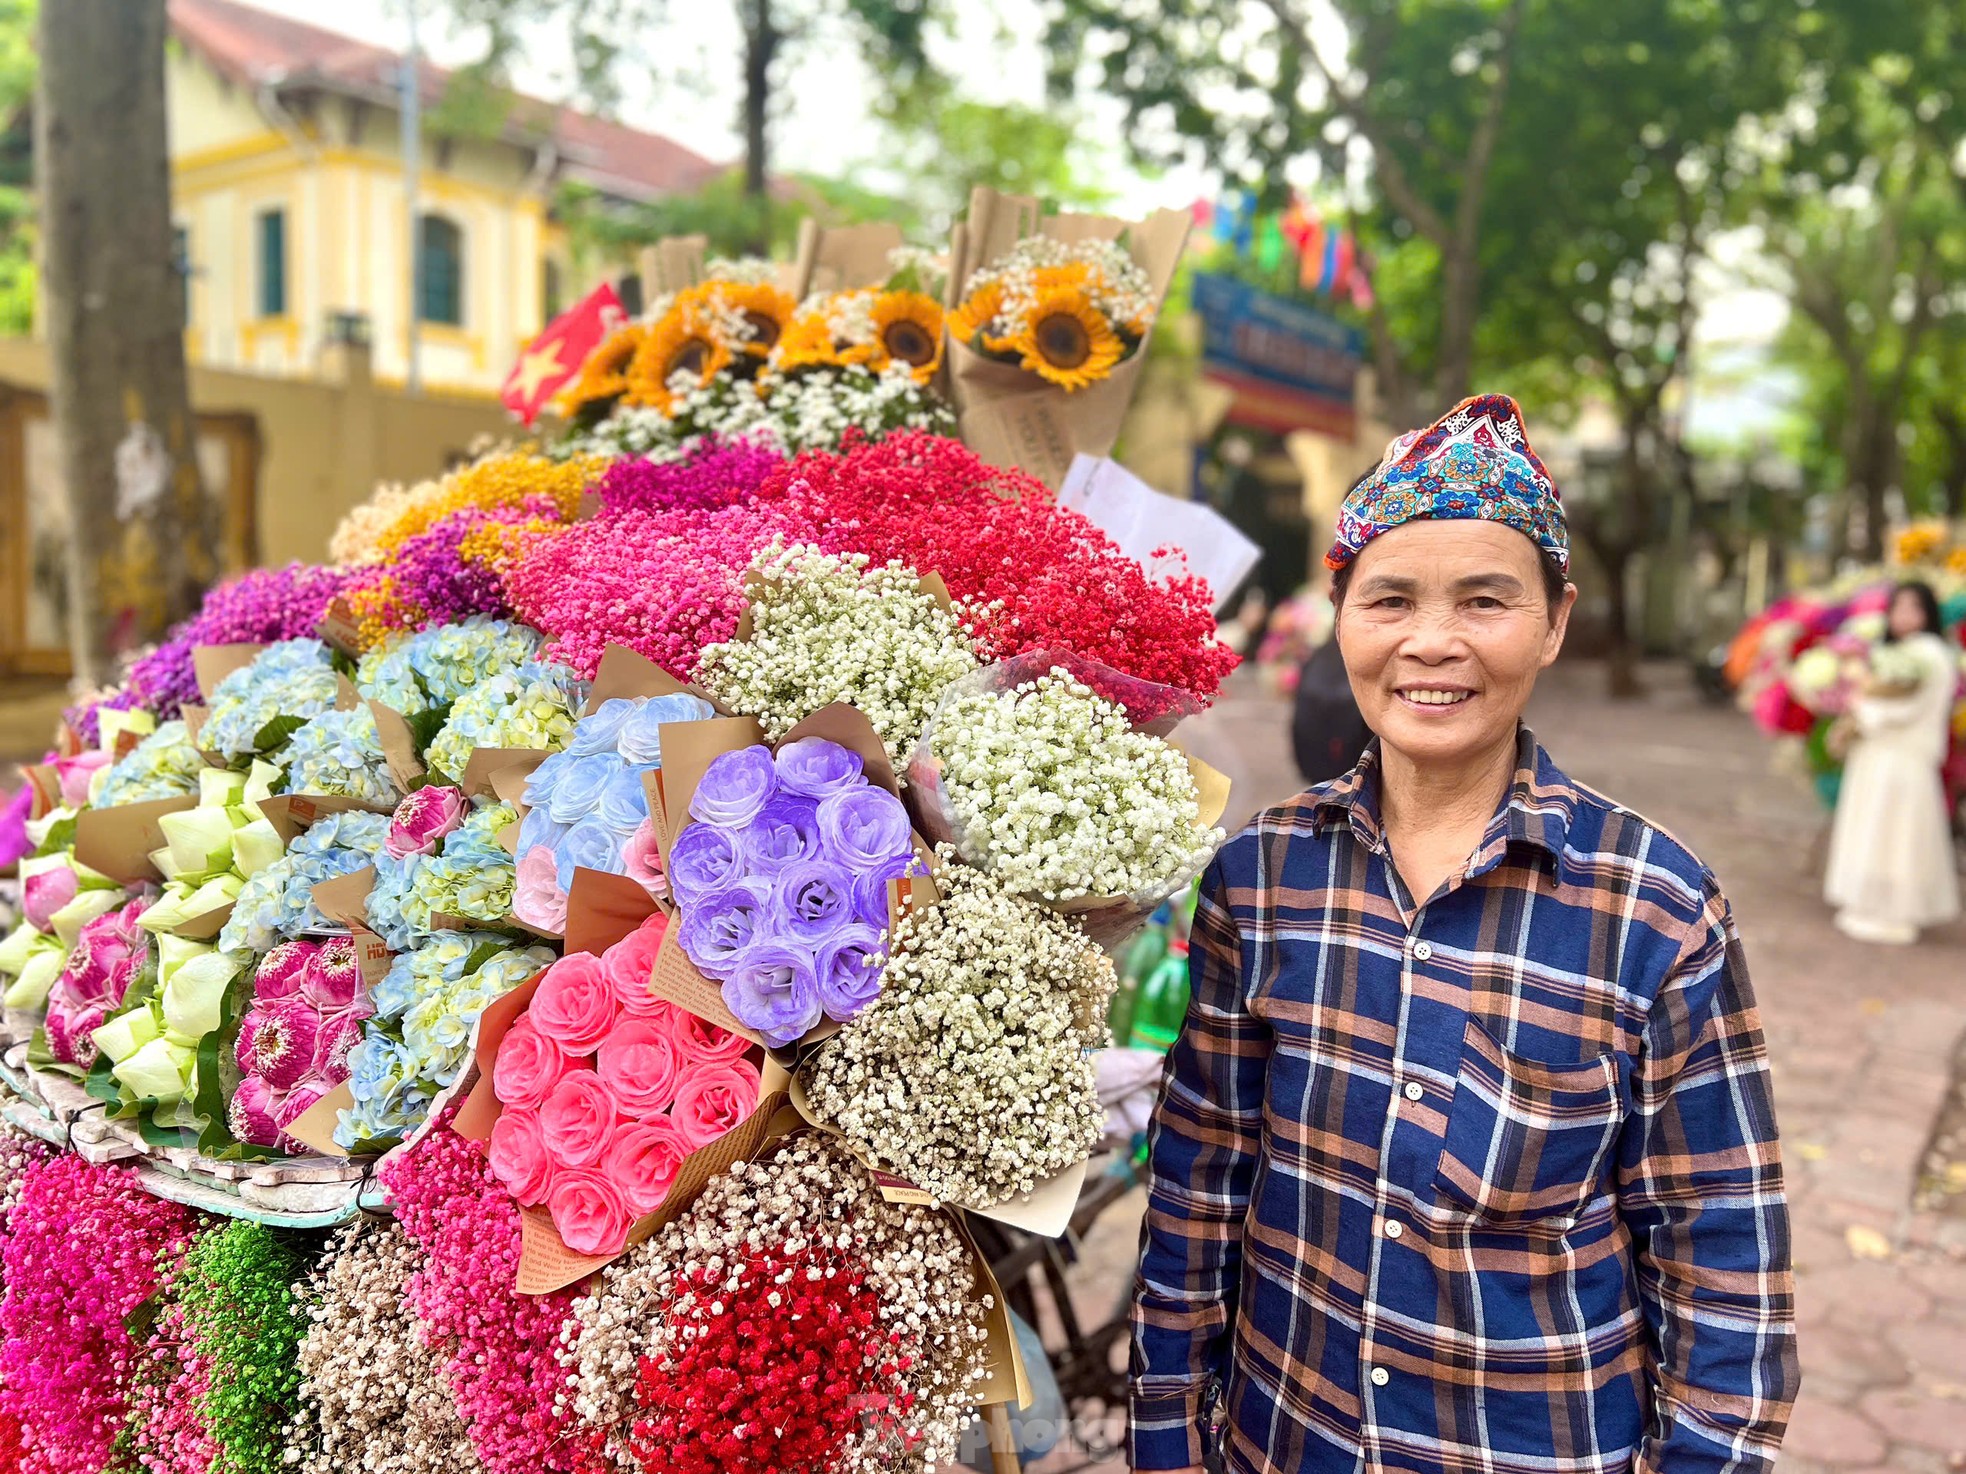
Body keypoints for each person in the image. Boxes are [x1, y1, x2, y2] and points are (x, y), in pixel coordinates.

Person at [1129, 395, 1799, 1474]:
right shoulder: (1258, 876)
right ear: (1338, 613)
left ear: (1554, 621)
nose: (1431, 642)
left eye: (1485, 600)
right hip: (1283, 1437)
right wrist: (1166, 1437)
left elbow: (1725, 1258)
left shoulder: (1656, 907)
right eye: (1388, 598)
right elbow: (1199, 1191)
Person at [1823, 580, 1961, 944]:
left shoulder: (1930, 655)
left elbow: (1908, 708)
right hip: (1878, 753)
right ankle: (1869, 902)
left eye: (1913, 608)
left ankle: (1896, 909)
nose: (1904, 616)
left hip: (1902, 756)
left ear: (1928, 613)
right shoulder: (1893, 651)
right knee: (1873, 827)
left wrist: (1860, 707)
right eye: (1898, 607)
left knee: (1896, 832)